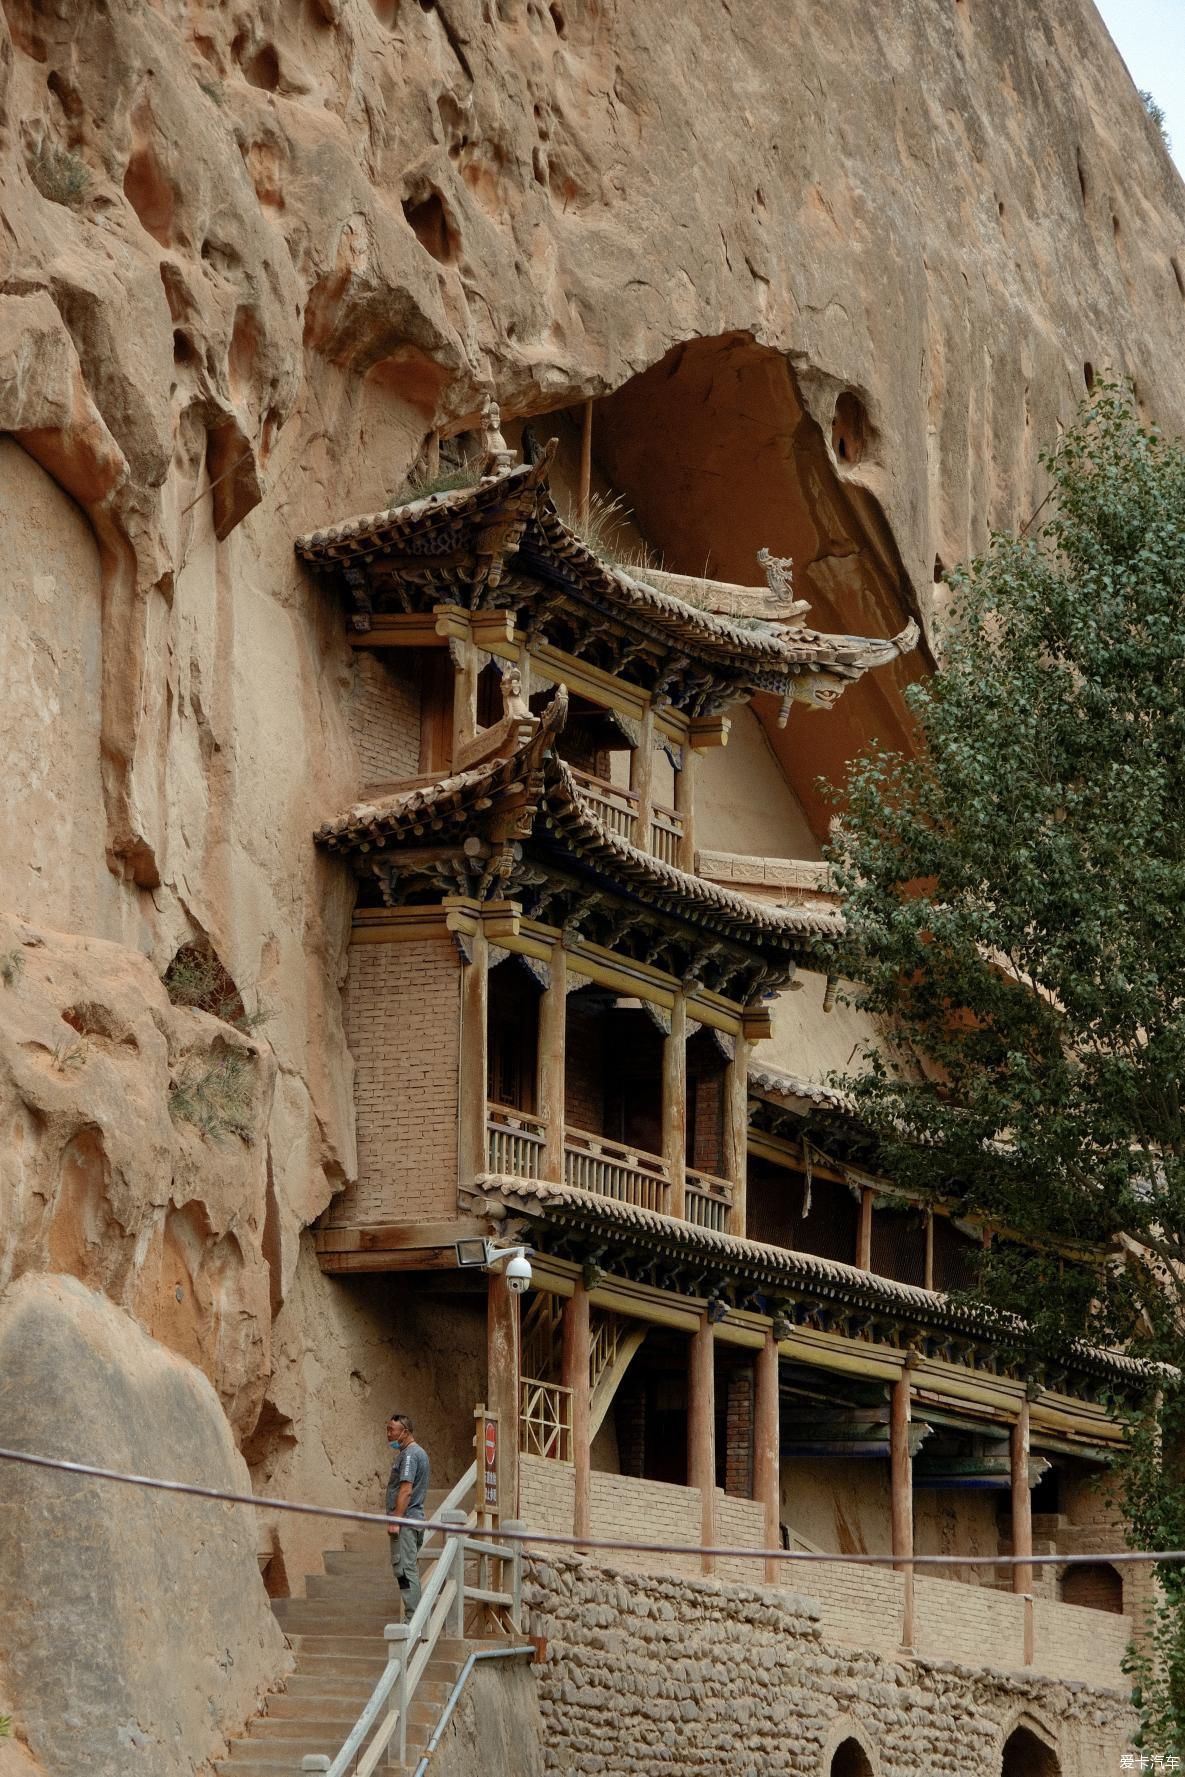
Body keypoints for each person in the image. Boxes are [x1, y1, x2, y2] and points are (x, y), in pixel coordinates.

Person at [385, 1412, 430, 1620]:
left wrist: (396, 1519)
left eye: (391, 1430)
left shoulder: (410, 1455)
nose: (388, 1435)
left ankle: (414, 1619)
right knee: (406, 1568)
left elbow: (406, 1489)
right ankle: (415, 1617)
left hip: (407, 1521)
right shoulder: (414, 1453)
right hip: (413, 1520)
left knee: (404, 1569)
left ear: (405, 1432)